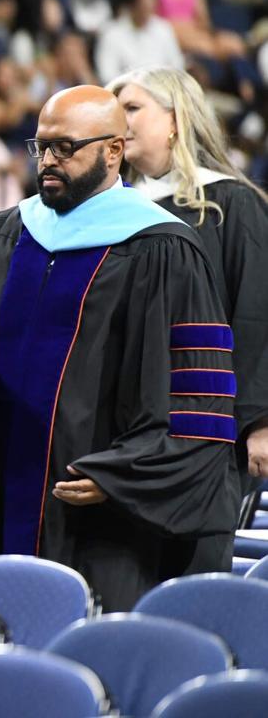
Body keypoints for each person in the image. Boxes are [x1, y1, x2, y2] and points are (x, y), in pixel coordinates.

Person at [0, 85, 241, 612]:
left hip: (112, 512)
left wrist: (122, 473)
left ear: (113, 151)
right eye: (40, 146)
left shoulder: (163, 248)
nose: (47, 161)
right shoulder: (6, 234)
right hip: (16, 487)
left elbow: (197, 397)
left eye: (66, 148)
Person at [108, 66, 268, 502]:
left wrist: (259, 422)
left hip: (206, 429)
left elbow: (257, 314)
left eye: (133, 108)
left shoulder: (229, 204)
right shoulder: (110, 212)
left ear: (176, 119)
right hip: (122, 430)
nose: (118, 120)